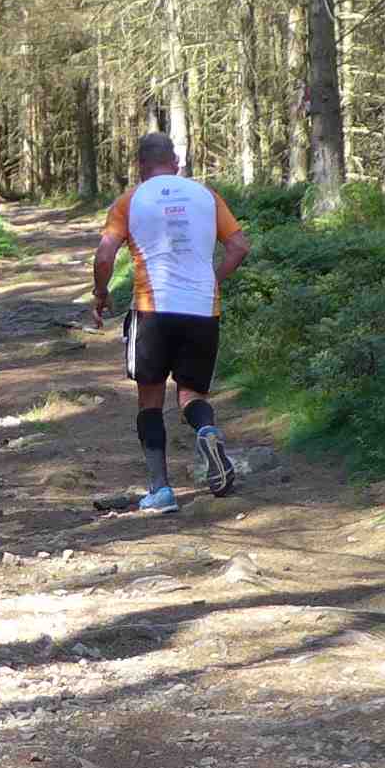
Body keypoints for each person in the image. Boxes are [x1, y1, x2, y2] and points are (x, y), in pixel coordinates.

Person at [89, 133, 249, 512]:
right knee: (191, 394)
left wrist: (100, 293)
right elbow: (239, 246)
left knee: (150, 400)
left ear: (141, 166)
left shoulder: (129, 201)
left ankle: (160, 491)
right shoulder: (206, 196)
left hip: (152, 309)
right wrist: (213, 280)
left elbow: (104, 256)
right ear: (175, 164)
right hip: (202, 310)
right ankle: (207, 431)